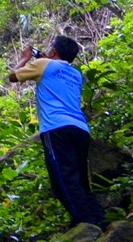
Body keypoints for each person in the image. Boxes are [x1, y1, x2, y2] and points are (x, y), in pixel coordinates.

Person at [8, 35, 107, 228]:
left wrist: (25, 57)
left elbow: (13, 76)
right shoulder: (76, 74)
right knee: (80, 178)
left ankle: (84, 222)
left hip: (56, 127)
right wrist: (47, 59)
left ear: (53, 51)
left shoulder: (43, 64)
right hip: (80, 128)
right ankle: (97, 216)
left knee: (61, 177)